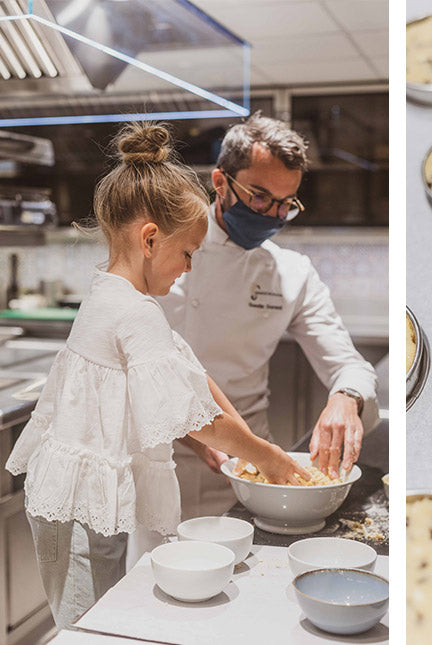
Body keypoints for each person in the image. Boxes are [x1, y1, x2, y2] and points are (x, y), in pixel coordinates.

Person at [4, 123, 308, 628]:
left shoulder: (115, 294)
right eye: (187, 253)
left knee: (100, 609)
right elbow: (199, 418)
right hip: (76, 511)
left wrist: (244, 441)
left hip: (78, 500)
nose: (188, 268)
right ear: (150, 239)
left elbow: (190, 374)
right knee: (88, 627)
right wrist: (269, 458)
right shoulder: (134, 312)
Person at [158, 112, 378, 521]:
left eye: (285, 204)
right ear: (221, 182)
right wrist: (197, 436)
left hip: (252, 467)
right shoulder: (163, 249)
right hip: (162, 456)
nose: (272, 215)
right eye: (259, 197)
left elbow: (349, 365)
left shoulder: (292, 272)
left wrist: (346, 398)